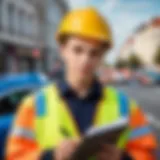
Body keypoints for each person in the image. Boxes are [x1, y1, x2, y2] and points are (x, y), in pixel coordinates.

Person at [6, 8, 157, 160]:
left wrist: (122, 157)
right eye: (78, 50)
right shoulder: (32, 107)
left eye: (94, 53)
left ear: (102, 57)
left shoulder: (126, 107)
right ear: (63, 50)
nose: (85, 60)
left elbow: (148, 154)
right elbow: (15, 156)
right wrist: (51, 156)